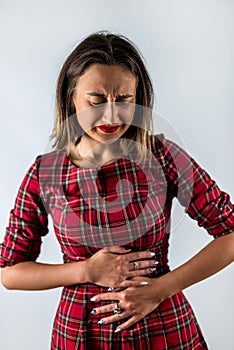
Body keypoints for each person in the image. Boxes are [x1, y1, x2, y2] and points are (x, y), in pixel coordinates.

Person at [0, 31, 233, 350]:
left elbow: (230, 234)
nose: (111, 115)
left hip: (164, 328)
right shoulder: (45, 172)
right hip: (80, 333)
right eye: (96, 101)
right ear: (71, 97)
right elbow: (11, 273)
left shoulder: (163, 157)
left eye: (124, 100)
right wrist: (86, 269)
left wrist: (160, 290)